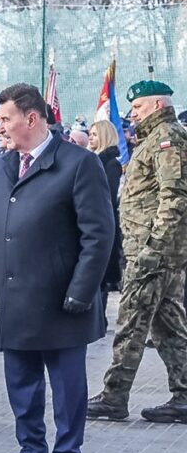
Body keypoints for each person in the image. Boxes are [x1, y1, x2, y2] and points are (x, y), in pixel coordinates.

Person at [0, 83, 114, 453]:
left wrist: (82, 290)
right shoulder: (2, 168)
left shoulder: (77, 164)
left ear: (31, 118)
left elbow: (99, 234)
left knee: (68, 385)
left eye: (5, 119)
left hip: (61, 299)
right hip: (13, 298)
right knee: (21, 382)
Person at [87, 80, 187, 425]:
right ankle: (184, 395)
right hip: (154, 252)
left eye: (139, 107)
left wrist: (154, 247)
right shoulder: (154, 138)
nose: (132, 114)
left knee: (130, 322)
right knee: (168, 325)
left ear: (158, 105)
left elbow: (174, 197)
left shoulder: (166, 139)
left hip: (152, 254)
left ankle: (114, 396)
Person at [87, 120, 124, 313]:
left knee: (100, 272)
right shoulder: (91, 159)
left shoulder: (110, 164)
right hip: (91, 217)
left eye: (94, 134)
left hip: (103, 221)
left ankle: (100, 316)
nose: (90, 137)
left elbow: (108, 194)